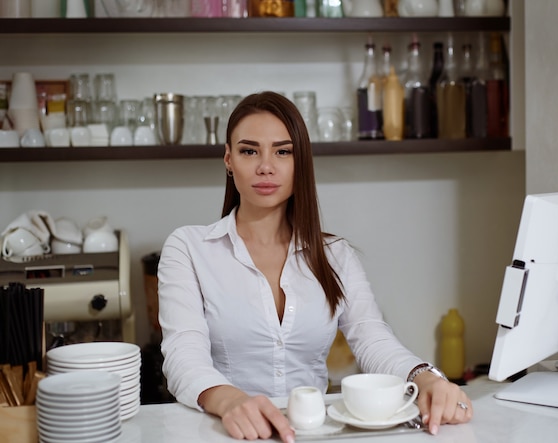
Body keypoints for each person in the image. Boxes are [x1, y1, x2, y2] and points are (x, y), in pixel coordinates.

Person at [158, 91, 472, 443]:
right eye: (249, 151)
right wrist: (231, 400)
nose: (265, 166)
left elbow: (372, 338)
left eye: (282, 151)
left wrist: (425, 377)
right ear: (229, 159)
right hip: (224, 432)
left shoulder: (335, 255)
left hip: (312, 434)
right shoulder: (188, 249)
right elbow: (183, 356)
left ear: (300, 162)